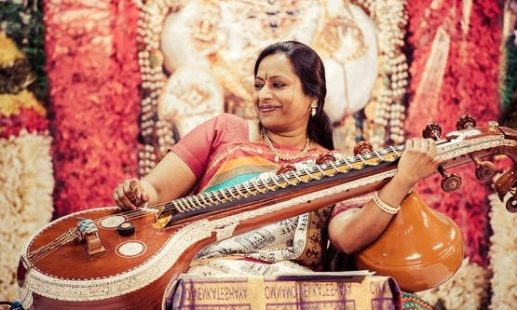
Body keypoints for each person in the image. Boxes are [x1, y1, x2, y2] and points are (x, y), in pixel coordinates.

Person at [113, 41, 439, 276]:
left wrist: (403, 180)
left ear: (313, 97)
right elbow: (155, 190)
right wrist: (137, 194)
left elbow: (346, 236)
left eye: (278, 84)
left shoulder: (334, 166)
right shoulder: (225, 130)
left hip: (288, 286)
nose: (263, 95)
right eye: (259, 84)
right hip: (207, 276)